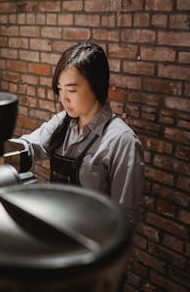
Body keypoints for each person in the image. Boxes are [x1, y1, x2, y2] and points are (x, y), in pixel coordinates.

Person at [8, 42, 144, 227]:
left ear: (96, 86)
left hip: (93, 244)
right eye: (60, 89)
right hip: (59, 230)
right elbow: (29, 147)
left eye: (71, 90)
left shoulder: (121, 141)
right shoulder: (62, 122)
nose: (64, 98)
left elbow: (124, 218)